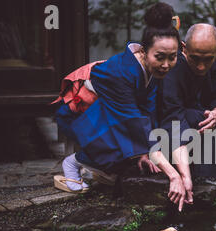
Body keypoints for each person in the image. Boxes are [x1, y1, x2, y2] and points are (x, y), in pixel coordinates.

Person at [53, 2, 191, 211]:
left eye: (172, 58)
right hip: (79, 115)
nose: (166, 65)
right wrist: (174, 175)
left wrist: (146, 153)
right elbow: (133, 122)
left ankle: (99, 164)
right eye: (160, 57)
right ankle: (75, 161)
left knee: (140, 149)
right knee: (129, 138)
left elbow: (147, 110)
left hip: (108, 113)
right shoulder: (120, 73)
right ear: (144, 52)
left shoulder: (148, 69)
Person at [158, 23, 216, 201]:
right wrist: (183, 175)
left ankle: (213, 185)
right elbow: (171, 114)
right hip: (177, 123)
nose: (201, 66)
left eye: (208, 59)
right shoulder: (172, 66)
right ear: (183, 48)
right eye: (195, 59)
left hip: (208, 120)